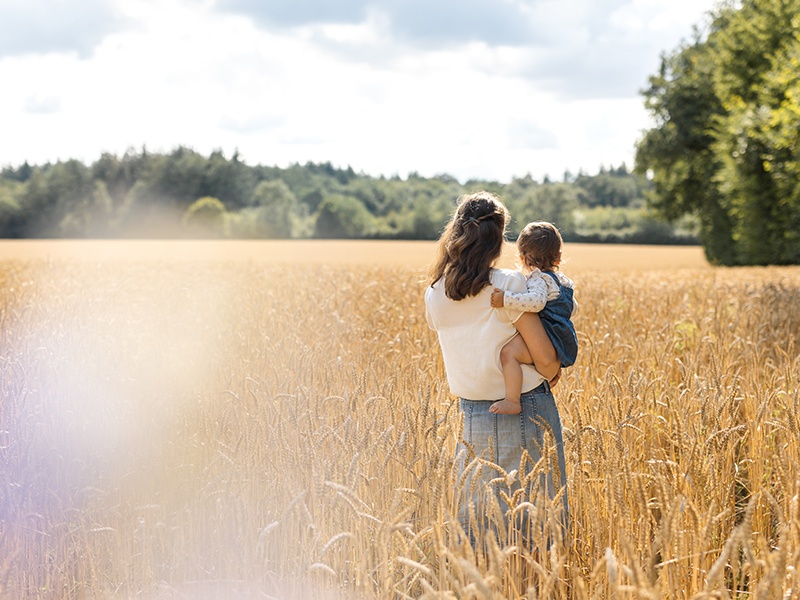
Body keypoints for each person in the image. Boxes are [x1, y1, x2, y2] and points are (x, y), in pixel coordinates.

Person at [424, 191, 569, 545]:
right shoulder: (508, 285)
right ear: (499, 238)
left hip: (472, 416)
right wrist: (551, 369)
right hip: (526, 411)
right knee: (536, 531)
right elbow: (547, 361)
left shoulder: (435, 293)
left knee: (480, 531)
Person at [488, 221, 578, 415]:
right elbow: (573, 307)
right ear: (558, 257)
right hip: (562, 337)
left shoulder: (538, 279)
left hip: (546, 334)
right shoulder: (564, 281)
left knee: (508, 353)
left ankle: (512, 400)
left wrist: (506, 299)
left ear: (522, 257)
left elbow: (536, 302)